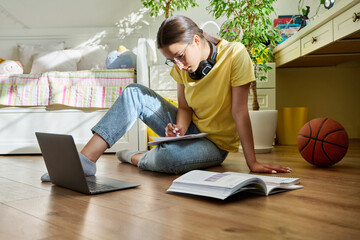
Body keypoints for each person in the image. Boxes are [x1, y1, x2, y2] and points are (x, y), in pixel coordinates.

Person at [41, 15, 291, 182]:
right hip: (194, 131)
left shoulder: (235, 55)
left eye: (180, 56)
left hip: (215, 145)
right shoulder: (181, 68)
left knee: (169, 157)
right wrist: (178, 128)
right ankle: (84, 163)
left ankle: (134, 156)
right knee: (133, 92)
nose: (179, 66)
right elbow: (184, 107)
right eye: (172, 60)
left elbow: (239, 112)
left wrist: (253, 162)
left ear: (196, 40)